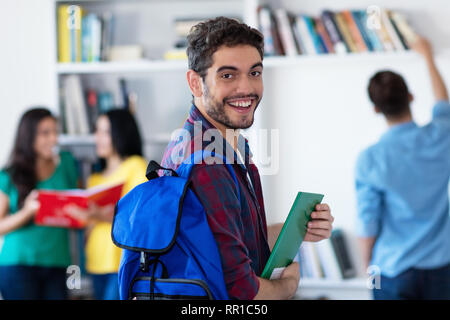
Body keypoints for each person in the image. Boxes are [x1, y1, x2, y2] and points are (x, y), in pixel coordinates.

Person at [160, 17, 334, 300]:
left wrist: (297, 229)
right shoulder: (206, 164)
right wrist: (289, 285)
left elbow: (231, 239)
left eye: (254, 73)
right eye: (228, 75)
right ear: (195, 83)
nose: (246, 89)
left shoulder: (215, 144)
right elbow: (242, 293)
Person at [355, 36, 450, 300]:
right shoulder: (442, 137)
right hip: (442, 268)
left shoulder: (370, 159)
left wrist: (367, 267)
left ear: (375, 109)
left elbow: (368, 222)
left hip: (392, 270)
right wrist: (427, 56)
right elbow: (444, 104)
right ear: (410, 97)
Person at [66, 109, 147, 300]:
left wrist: (99, 215)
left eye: (105, 132)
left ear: (121, 133)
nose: (98, 138)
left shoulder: (136, 166)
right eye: (97, 131)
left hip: (122, 261)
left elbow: (140, 214)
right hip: (95, 261)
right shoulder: (94, 178)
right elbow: (88, 227)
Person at [0, 108, 78, 300]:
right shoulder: (9, 175)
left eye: (55, 132)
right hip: (18, 264)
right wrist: (27, 212)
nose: (54, 139)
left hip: (58, 262)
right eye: (45, 133)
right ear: (28, 136)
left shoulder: (66, 163)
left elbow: (76, 205)